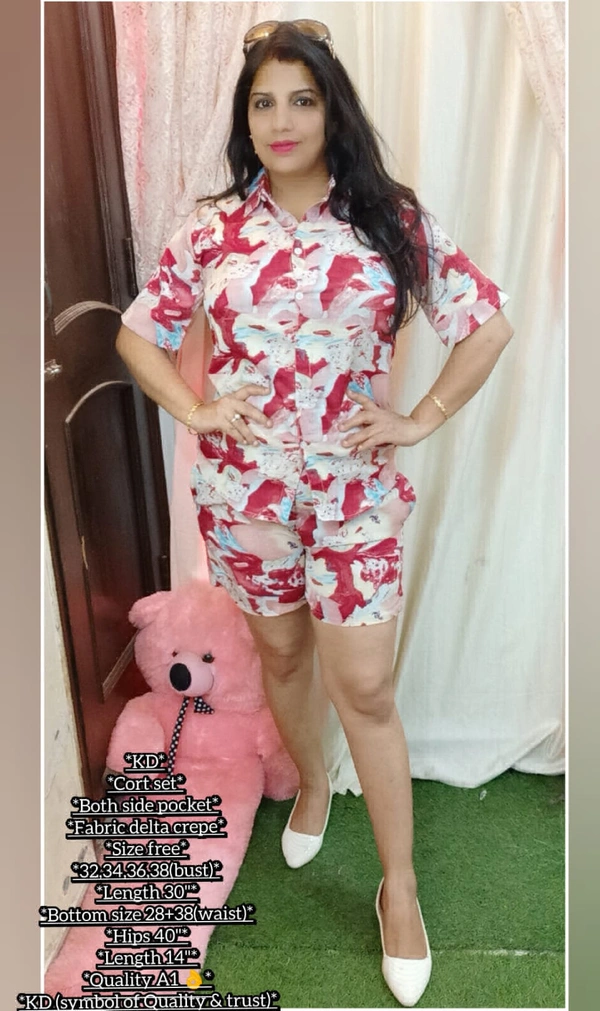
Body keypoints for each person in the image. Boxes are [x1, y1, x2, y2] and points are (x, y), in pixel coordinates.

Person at [116, 19, 513, 1007]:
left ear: (333, 109)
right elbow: (137, 336)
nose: (282, 119)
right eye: (264, 102)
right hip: (243, 496)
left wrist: (419, 418)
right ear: (245, 118)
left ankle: (399, 887)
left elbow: (485, 325)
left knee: (364, 685)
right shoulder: (213, 229)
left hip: (354, 497)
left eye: (302, 98)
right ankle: (313, 780)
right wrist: (196, 409)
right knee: (285, 658)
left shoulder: (389, 220)